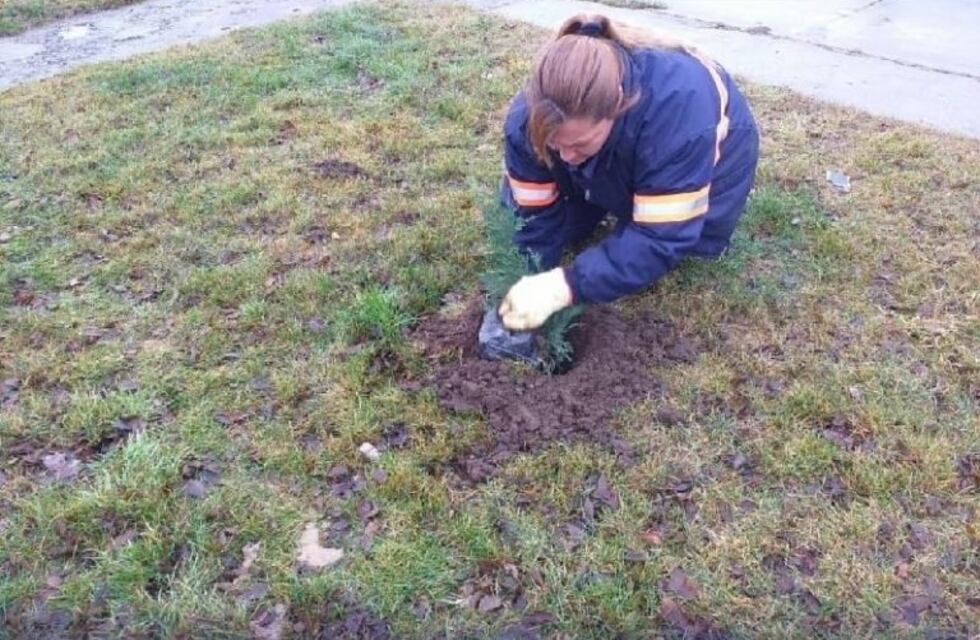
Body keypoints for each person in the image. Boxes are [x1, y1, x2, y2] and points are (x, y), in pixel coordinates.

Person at [497, 14, 760, 331]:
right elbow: (532, 213)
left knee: (684, 242)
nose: (566, 157)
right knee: (562, 224)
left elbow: (660, 238)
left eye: (579, 144)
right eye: (555, 144)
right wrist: (532, 272)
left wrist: (565, 286)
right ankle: (602, 185)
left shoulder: (677, 114)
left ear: (617, 103)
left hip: (711, 162)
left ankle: (623, 194)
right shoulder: (527, 121)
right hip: (620, 152)